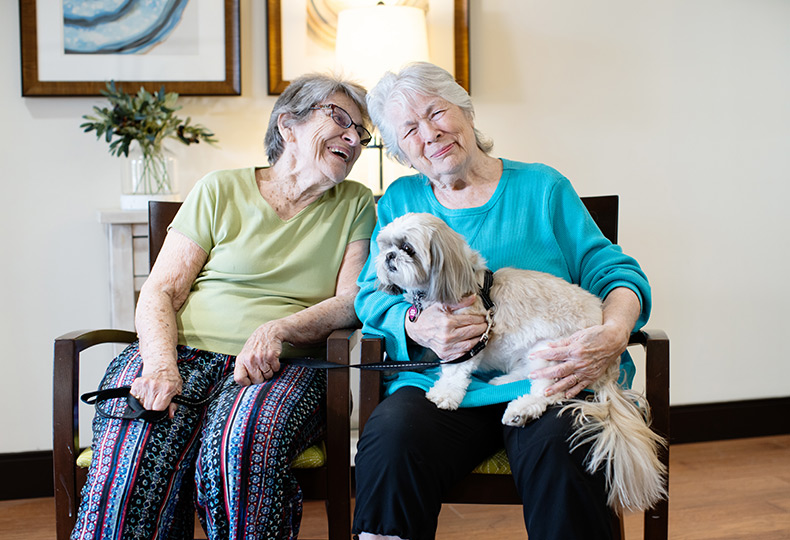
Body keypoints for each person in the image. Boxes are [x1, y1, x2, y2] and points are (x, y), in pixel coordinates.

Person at [352, 62, 652, 540]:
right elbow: (370, 296)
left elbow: (615, 274)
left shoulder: (542, 188)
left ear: (466, 112)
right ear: (401, 152)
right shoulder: (400, 200)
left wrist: (614, 332)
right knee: (392, 437)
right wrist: (415, 323)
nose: (429, 133)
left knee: (563, 443)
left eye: (436, 112)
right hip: (441, 382)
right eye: (409, 130)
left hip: (546, 377)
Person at [72, 73, 376, 540]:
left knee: (240, 447)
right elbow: (160, 291)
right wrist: (161, 365)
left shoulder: (356, 203)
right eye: (339, 119)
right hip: (180, 354)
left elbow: (352, 301)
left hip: (283, 365)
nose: (353, 139)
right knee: (137, 454)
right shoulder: (219, 188)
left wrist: (278, 329)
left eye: (361, 132)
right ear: (288, 125)